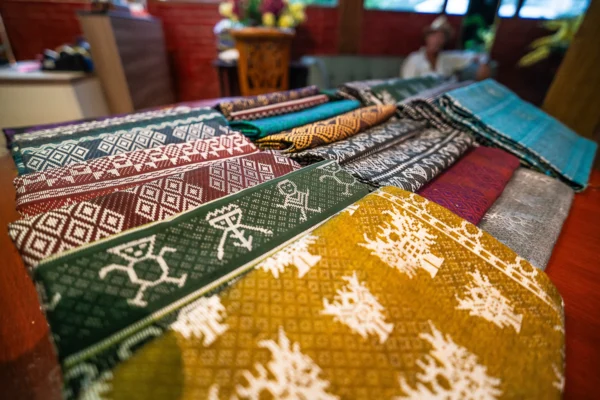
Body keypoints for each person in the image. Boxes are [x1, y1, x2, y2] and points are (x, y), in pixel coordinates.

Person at [401, 16, 491, 80]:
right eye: (434, 37)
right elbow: (406, 84)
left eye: (441, 37)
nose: (437, 41)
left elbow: (478, 55)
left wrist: (483, 63)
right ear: (427, 38)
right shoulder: (414, 59)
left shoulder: (448, 58)